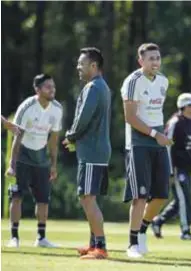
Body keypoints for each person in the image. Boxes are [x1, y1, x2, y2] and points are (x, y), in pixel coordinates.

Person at [120, 43, 172, 258]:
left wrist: (161, 135)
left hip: (158, 142)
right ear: (141, 61)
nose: (156, 62)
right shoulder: (132, 82)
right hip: (138, 143)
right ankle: (132, 244)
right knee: (140, 196)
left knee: (161, 195)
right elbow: (130, 117)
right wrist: (155, 135)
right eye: (151, 58)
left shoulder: (163, 81)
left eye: (158, 58)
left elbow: (156, 113)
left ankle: (142, 229)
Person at [63, 47, 111, 260]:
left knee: (86, 198)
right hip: (95, 150)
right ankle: (93, 244)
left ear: (93, 66)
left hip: (92, 151)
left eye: (81, 64)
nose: (78, 67)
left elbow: (83, 118)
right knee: (88, 197)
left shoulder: (93, 87)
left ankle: (100, 247)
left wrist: (70, 136)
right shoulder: (102, 86)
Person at [6, 74, 63, 248]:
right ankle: (14, 237)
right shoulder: (27, 107)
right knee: (17, 197)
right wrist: (12, 164)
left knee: (43, 199)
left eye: (53, 86)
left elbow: (53, 139)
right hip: (23, 156)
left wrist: (53, 164)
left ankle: (41, 237)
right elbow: (17, 137)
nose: (52, 90)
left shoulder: (57, 109)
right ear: (37, 90)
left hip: (41, 159)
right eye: (47, 87)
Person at [151, 93, 191, 240]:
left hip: (186, 168)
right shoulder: (176, 122)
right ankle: (185, 231)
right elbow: (167, 146)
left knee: (181, 200)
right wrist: (168, 170)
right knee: (184, 200)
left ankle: (158, 221)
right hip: (176, 168)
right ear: (185, 107)